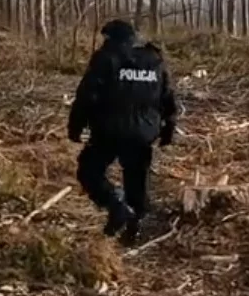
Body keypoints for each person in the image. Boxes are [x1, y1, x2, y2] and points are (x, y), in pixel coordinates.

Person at [67, 19, 178, 242]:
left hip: (109, 132)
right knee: (136, 181)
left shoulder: (106, 59)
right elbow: (167, 98)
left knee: (89, 172)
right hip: (143, 134)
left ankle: (115, 203)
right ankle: (132, 231)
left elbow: (86, 96)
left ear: (112, 38)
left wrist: (75, 127)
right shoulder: (153, 61)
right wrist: (168, 129)